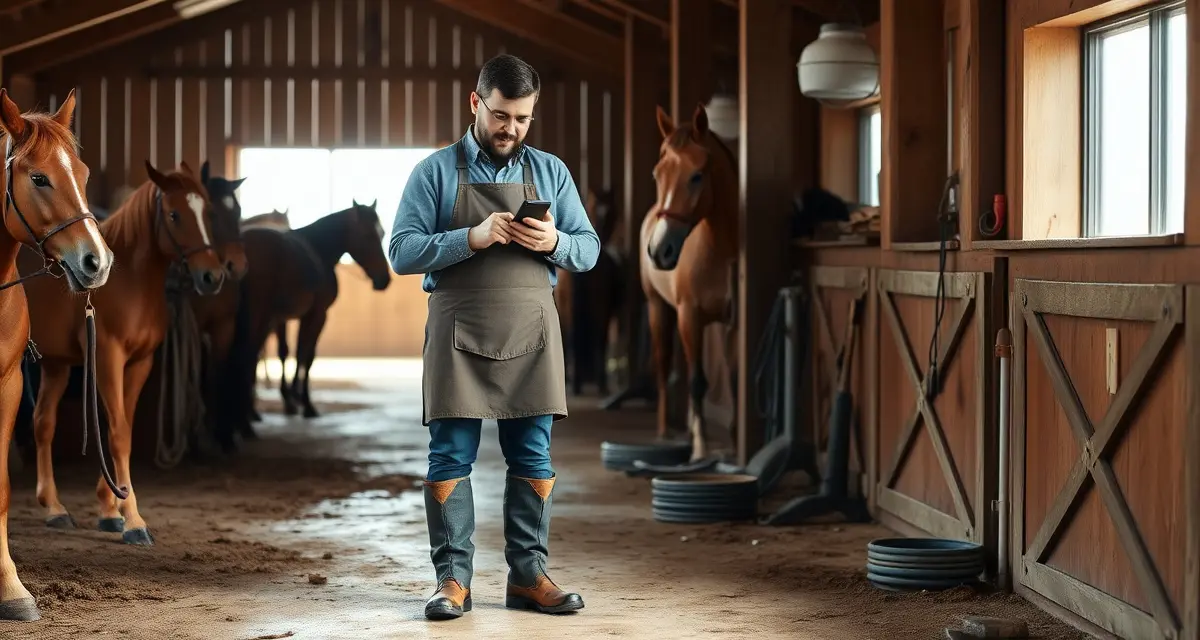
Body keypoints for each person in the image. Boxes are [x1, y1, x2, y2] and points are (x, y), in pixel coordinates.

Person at [388, 53, 600, 621]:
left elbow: (591, 249)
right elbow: (401, 251)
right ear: (475, 103)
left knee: (533, 454)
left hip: (531, 332)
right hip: (458, 333)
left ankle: (528, 577)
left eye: (524, 119)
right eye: (502, 115)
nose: (512, 129)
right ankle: (452, 581)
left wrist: (554, 241)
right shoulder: (434, 172)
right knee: (449, 456)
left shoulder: (551, 173)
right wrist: (471, 237)